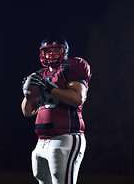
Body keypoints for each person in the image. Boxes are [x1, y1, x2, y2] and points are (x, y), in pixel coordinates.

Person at [21, 35, 92, 184]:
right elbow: (27, 112)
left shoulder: (74, 65)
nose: (51, 54)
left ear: (64, 51)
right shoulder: (40, 74)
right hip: (41, 140)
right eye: (48, 50)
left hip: (65, 136)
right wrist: (27, 94)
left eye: (56, 50)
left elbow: (76, 98)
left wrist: (48, 88)